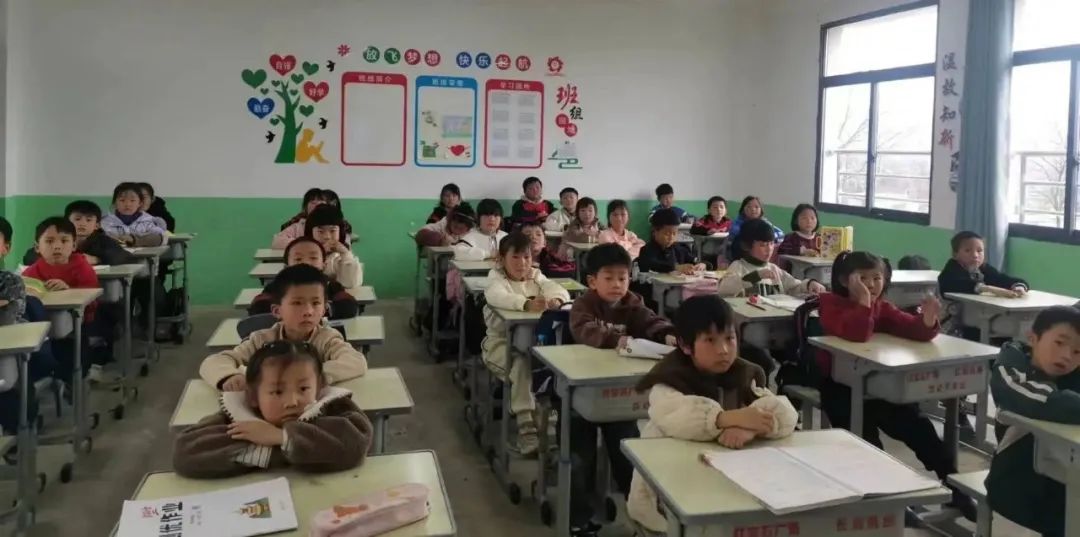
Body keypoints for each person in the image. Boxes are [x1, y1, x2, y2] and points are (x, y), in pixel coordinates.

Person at [817, 251, 976, 519]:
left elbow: (913, 329)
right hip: (839, 387)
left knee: (919, 428)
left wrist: (928, 319)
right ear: (844, 280)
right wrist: (864, 302)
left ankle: (954, 486)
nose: (871, 285)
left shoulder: (884, 307)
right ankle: (889, 498)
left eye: (877, 278)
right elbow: (857, 333)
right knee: (864, 440)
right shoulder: (830, 304)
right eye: (863, 278)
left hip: (880, 383)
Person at [628, 296, 798, 534]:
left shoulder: (742, 374)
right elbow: (678, 414)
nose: (723, 350)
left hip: (722, 486)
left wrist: (751, 428)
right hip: (665, 495)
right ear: (685, 345)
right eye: (710, 340)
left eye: (730, 338)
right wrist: (728, 418)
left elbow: (785, 413)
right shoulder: (669, 379)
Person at [567, 243, 674, 536]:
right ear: (592, 281)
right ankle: (578, 519)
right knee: (579, 459)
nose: (617, 284)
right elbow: (584, 330)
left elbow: (651, 321)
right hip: (581, 393)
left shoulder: (632, 304)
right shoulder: (583, 305)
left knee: (629, 451)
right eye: (609, 278)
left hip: (616, 391)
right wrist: (618, 341)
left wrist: (667, 334)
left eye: (623, 278)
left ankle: (637, 508)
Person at [174, 341, 373, 478]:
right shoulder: (238, 414)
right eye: (277, 392)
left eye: (304, 389)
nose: (292, 402)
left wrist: (281, 437)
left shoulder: (330, 405)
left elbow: (357, 444)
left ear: (320, 386)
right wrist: (291, 450)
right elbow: (185, 453)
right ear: (253, 396)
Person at [987, 306, 1080, 537]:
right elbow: (1041, 400)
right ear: (1033, 338)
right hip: (1017, 486)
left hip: (1067, 483)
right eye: (1059, 343)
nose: (1067, 356)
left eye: (1078, 351)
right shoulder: (1013, 360)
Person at [199, 264, 367, 391]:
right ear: (277, 311)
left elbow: (356, 361)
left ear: (324, 310)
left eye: (316, 303)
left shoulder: (327, 338)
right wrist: (229, 376)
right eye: (297, 303)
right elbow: (214, 361)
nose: (308, 311)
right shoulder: (262, 340)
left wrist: (311, 375)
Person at [482, 232, 570, 456]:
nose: (522, 263)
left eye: (527, 257)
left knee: (550, 365)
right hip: (500, 345)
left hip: (534, 345)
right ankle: (526, 428)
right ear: (501, 259)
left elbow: (557, 288)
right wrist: (526, 304)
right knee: (522, 367)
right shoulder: (496, 278)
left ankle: (546, 417)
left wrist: (556, 300)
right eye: (515, 257)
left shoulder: (535, 275)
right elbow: (497, 296)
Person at [23, 217, 105, 386]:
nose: (57, 246)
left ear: (74, 246)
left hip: (77, 327)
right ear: (37, 247)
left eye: (64, 241)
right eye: (49, 241)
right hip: (41, 331)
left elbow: (92, 300)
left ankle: (72, 383)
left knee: (75, 354)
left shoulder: (82, 267)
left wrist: (69, 291)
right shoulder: (31, 272)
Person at [249, 238, 359, 320]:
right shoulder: (278, 285)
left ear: (324, 265)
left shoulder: (330, 285)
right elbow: (258, 307)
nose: (306, 262)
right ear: (286, 266)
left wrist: (319, 310)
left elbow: (349, 306)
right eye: (298, 259)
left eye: (313, 258)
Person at [718, 219, 825, 297]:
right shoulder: (738, 266)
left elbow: (794, 286)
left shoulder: (774, 269)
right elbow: (724, 291)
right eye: (763, 245)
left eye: (771, 243)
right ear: (746, 246)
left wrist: (809, 284)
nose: (769, 249)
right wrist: (755, 276)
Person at [23, 200, 137, 266]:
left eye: (88, 220)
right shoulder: (57, 238)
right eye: (77, 219)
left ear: (97, 225)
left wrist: (97, 259)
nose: (82, 224)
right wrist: (58, 259)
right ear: (67, 220)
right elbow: (29, 257)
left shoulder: (103, 240)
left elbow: (124, 256)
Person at [304, 205, 362, 288]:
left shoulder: (340, 256)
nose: (327, 236)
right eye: (320, 231)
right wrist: (320, 254)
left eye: (332, 231)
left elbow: (351, 284)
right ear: (310, 233)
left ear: (340, 232)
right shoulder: (301, 252)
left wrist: (345, 253)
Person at [273, 189, 353, 249]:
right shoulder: (298, 226)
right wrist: (307, 245)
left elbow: (346, 245)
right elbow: (277, 241)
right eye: (312, 202)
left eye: (321, 201)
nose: (316, 205)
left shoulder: (338, 223)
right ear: (305, 207)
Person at [100, 182, 167, 247]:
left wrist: (134, 239)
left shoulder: (148, 221)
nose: (127, 204)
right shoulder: (106, 221)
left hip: (143, 254)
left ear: (140, 203)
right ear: (115, 203)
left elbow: (162, 238)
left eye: (132, 200)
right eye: (122, 200)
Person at [638, 208, 701, 275]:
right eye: (667, 234)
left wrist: (700, 264)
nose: (671, 238)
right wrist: (675, 267)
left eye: (674, 233)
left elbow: (693, 259)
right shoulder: (646, 250)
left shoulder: (678, 249)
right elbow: (654, 264)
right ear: (655, 231)